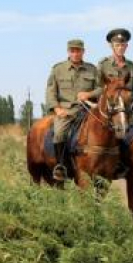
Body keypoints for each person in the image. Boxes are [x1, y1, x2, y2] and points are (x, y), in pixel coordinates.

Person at [44, 39, 99, 181]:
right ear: (68, 51)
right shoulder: (58, 69)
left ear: (83, 52)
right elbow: (51, 91)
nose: (75, 53)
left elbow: (101, 88)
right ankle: (60, 166)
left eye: (78, 51)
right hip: (66, 111)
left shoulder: (92, 69)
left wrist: (89, 94)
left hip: (88, 110)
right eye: (72, 50)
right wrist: (56, 109)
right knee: (59, 134)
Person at [95, 28, 133, 177]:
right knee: (118, 132)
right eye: (117, 45)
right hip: (111, 108)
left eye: (123, 45)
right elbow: (97, 87)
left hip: (129, 107)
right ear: (111, 46)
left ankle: (132, 163)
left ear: (126, 47)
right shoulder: (103, 64)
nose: (120, 47)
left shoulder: (132, 66)